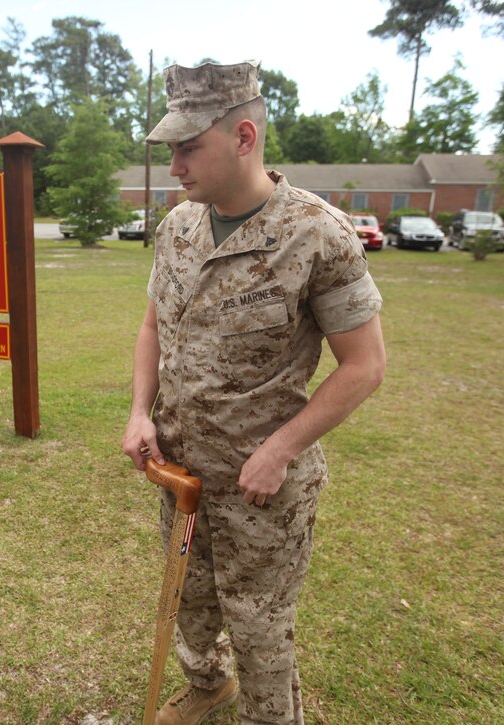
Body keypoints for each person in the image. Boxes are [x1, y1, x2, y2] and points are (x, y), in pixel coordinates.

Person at [121, 62, 387, 725]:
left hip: (260, 483)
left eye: (189, 146)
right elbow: (154, 323)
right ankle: (209, 683)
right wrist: (137, 411)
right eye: (171, 147)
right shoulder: (178, 227)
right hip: (182, 471)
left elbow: (365, 364)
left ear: (243, 135)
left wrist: (282, 448)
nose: (175, 163)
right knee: (191, 599)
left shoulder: (318, 233)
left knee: (260, 625)